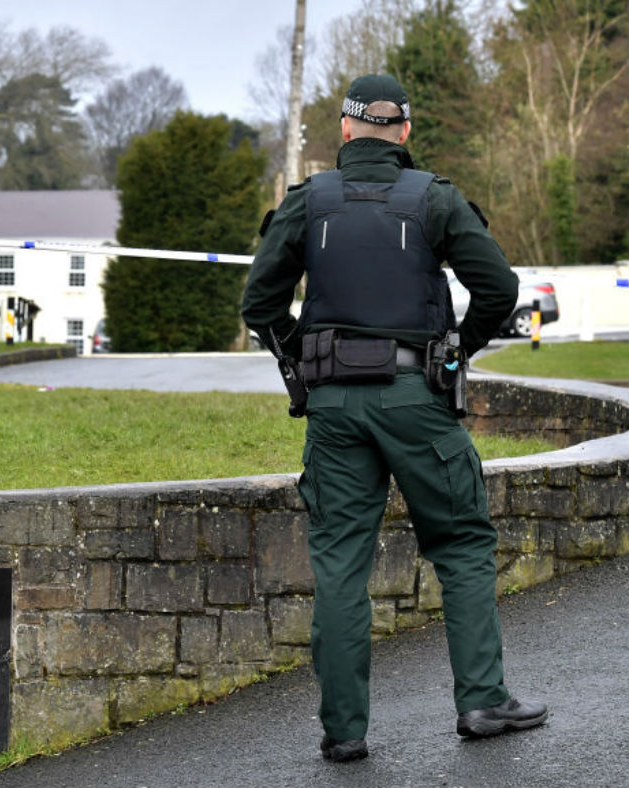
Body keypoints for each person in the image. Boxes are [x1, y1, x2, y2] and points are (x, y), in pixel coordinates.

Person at [241, 73, 548, 763]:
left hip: (333, 408)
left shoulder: (308, 200)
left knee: (340, 563)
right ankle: (482, 700)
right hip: (417, 400)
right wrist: (457, 352)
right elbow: (498, 287)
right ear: (404, 131)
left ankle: (344, 731)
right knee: (461, 543)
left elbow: (259, 303)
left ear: (346, 129)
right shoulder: (434, 198)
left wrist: (301, 362)